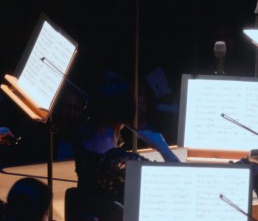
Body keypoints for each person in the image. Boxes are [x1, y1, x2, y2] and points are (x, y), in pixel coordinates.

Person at [74, 74, 180, 204]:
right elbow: (179, 183)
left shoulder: (82, 146)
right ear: (127, 110)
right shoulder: (123, 164)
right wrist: (162, 147)